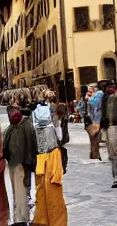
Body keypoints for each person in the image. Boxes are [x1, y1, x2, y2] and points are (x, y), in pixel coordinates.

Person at [31, 93, 67, 226]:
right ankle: (57, 221)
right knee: (54, 188)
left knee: (41, 189)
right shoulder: (54, 116)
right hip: (53, 155)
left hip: (40, 156)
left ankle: (41, 219)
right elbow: (59, 137)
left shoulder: (34, 116)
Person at [3, 107, 37, 226]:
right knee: (22, 190)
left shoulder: (12, 129)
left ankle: (21, 218)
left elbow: (5, 146)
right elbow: (34, 145)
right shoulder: (27, 126)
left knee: (19, 191)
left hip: (18, 164)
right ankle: (21, 217)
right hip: (24, 164)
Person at [87, 86, 104, 160]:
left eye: (90, 92)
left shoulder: (91, 100)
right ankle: (96, 154)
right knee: (98, 139)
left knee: (94, 139)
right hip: (101, 120)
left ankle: (94, 154)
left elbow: (90, 112)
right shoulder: (103, 97)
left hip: (94, 121)